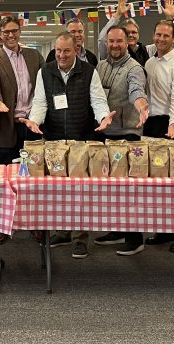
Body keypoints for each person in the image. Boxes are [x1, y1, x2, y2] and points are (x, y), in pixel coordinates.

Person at [28, 33, 116, 260]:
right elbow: (40, 102)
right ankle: (63, 231)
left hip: (81, 139)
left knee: (80, 193)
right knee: (57, 191)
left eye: (66, 51)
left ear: (76, 50)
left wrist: (103, 117)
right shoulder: (45, 71)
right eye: (58, 50)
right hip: (54, 138)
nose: (61, 55)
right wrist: (34, 121)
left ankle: (79, 238)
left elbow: (97, 100)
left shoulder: (88, 71)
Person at [93, 25, 150, 256]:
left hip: (127, 135)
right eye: (111, 41)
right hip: (107, 133)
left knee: (129, 190)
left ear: (127, 42)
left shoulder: (134, 68)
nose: (115, 45)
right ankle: (117, 230)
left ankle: (135, 238)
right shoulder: (102, 66)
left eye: (119, 41)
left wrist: (142, 106)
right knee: (112, 189)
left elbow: (137, 90)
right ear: (106, 43)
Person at [0, 15, 44, 166]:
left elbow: (46, 83)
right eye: (6, 32)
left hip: (32, 124)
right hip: (7, 127)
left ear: (20, 31)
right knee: (6, 173)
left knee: (34, 172)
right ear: (0, 34)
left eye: (14, 31)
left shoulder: (34, 55)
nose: (11, 35)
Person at [144, 19, 174, 140]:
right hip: (150, 123)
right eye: (158, 34)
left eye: (166, 36)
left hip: (171, 123)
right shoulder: (149, 63)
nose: (161, 39)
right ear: (153, 36)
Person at [97, 0, 150, 65]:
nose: (131, 35)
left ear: (138, 34)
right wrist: (118, 14)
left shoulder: (146, 50)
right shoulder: (115, 51)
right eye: (127, 32)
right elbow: (102, 39)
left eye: (134, 32)